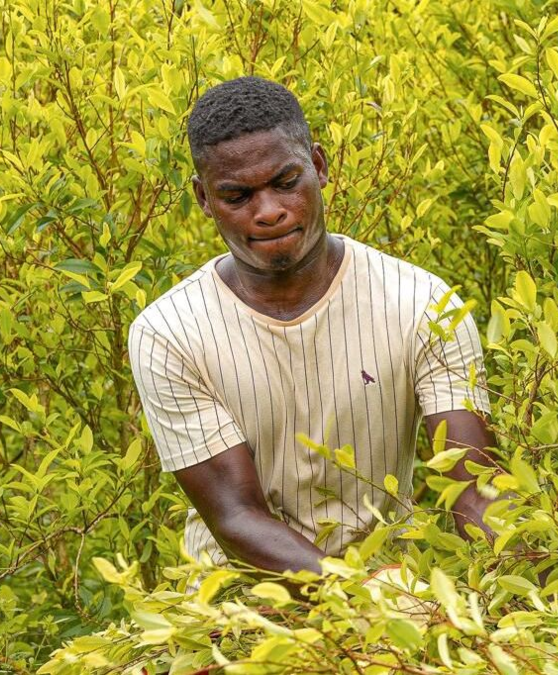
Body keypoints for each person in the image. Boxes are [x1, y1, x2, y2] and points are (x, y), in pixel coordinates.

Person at [127, 76, 501, 580]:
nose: (270, 212)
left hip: (395, 588)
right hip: (238, 602)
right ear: (203, 198)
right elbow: (237, 519)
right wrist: (368, 601)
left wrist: (541, 604)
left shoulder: (423, 303)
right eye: (237, 196)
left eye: (286, 183)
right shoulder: (169, 332)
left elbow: (474, 491)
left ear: (319, 167)